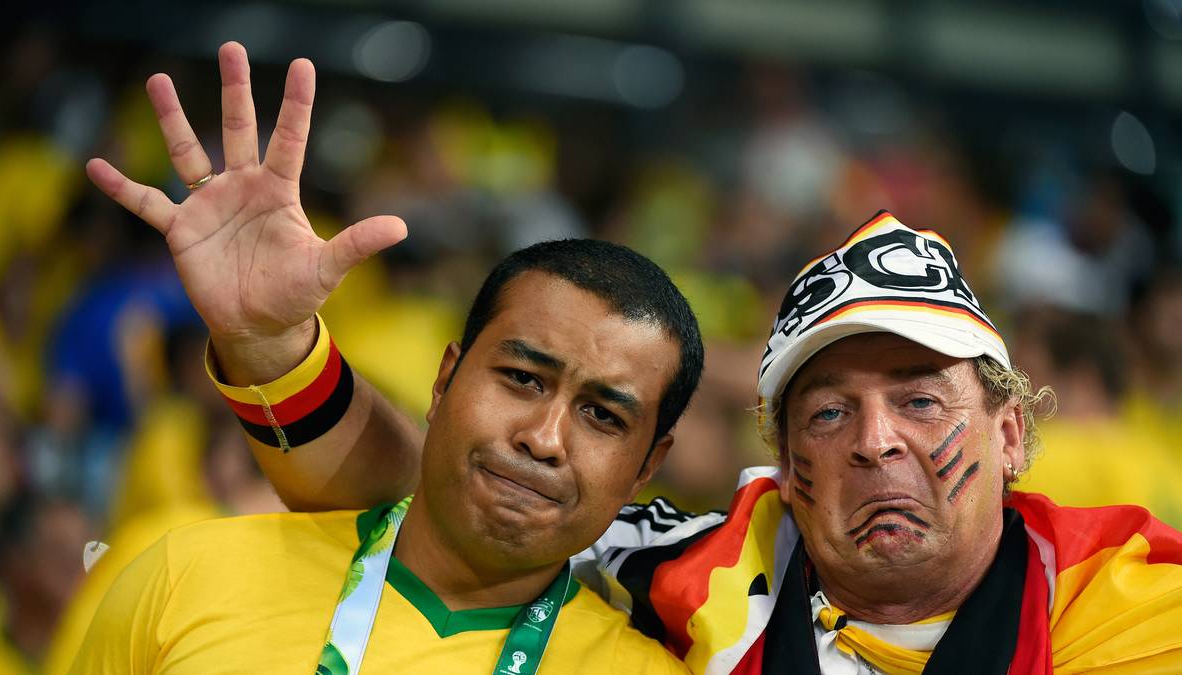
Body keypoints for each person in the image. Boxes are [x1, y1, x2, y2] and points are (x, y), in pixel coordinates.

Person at [255, 212, 1182, 673]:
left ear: (1011, 433)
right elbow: (441, 493)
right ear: (786, 464)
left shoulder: (1131, 601)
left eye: (920, 400)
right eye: (828, 413)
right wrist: (270, 347)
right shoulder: (691, 566)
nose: (875, 442)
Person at [73, 43, 696, 673]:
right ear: (444, 379)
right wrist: (264, 339)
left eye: (604, 416)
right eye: (522, 378)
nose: (544, 437)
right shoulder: (188, 574)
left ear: (647, 465)